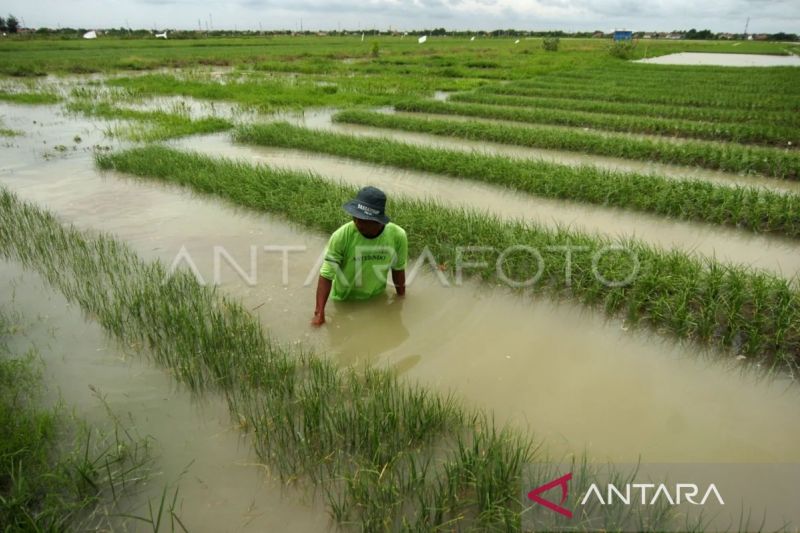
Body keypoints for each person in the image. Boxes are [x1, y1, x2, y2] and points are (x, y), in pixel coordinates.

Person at [312, 186, 407, 326]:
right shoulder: (341, 236)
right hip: (344, 300)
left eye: (363, 219)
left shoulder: (397, 236)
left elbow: (398, 270)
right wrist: (319, 313)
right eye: (355, 216)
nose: (357, 222)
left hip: (376, 299)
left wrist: (401, 301)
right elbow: (326, 275)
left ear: (378, 221)